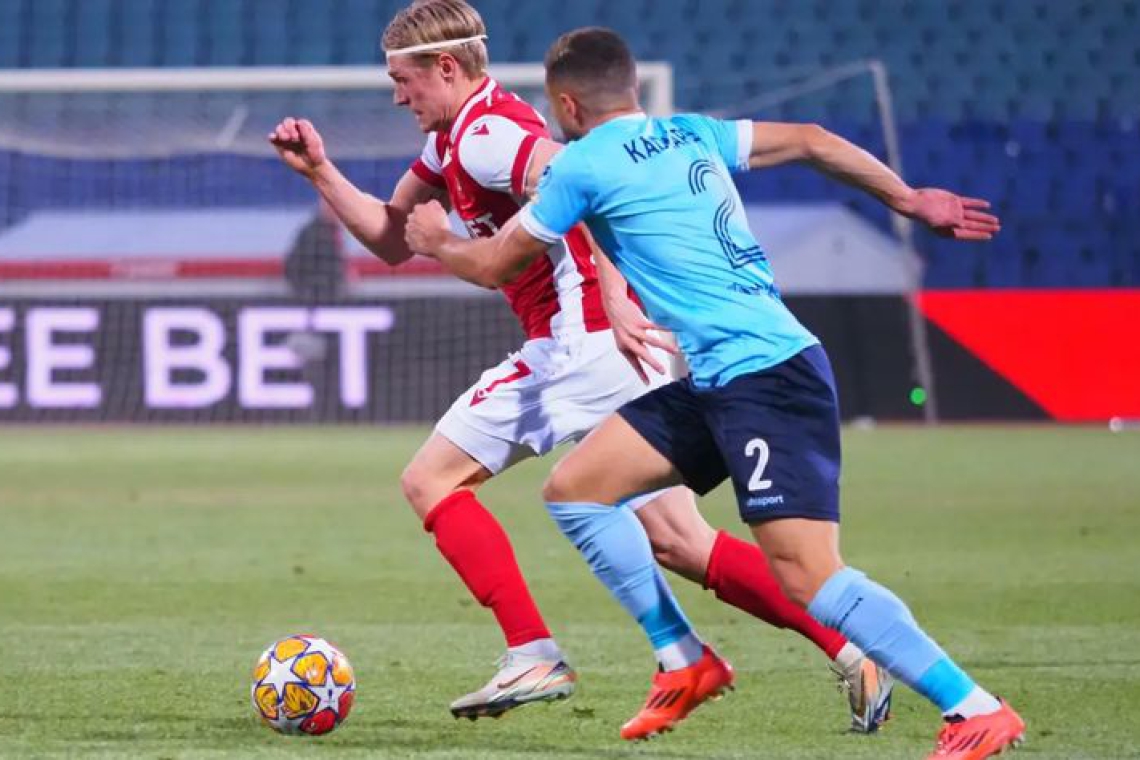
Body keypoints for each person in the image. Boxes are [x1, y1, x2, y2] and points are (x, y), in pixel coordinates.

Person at [403, 25, 1026, 760]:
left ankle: (975, 708)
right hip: (715, 378)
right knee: (577, 489)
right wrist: (909, 198)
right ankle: (684, 658)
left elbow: (493, 266)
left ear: (566, 105)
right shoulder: (692, 132)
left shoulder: (582, 165)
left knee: (811, 576)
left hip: (766, 377)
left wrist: (437, 239)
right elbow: (814, 140)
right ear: (631, 87)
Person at [270, 0, 889, 739]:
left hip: (577, 345)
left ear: (447, 68)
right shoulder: (452, 142)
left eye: (404, 81)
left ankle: (536, 653)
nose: (399, 97)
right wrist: (321, 173)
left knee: (430, 480)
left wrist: (616, 295)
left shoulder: (490, 137)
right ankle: (853, 649)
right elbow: (392, 239)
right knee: (679, 541)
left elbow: (587, 178)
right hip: (602, 349)